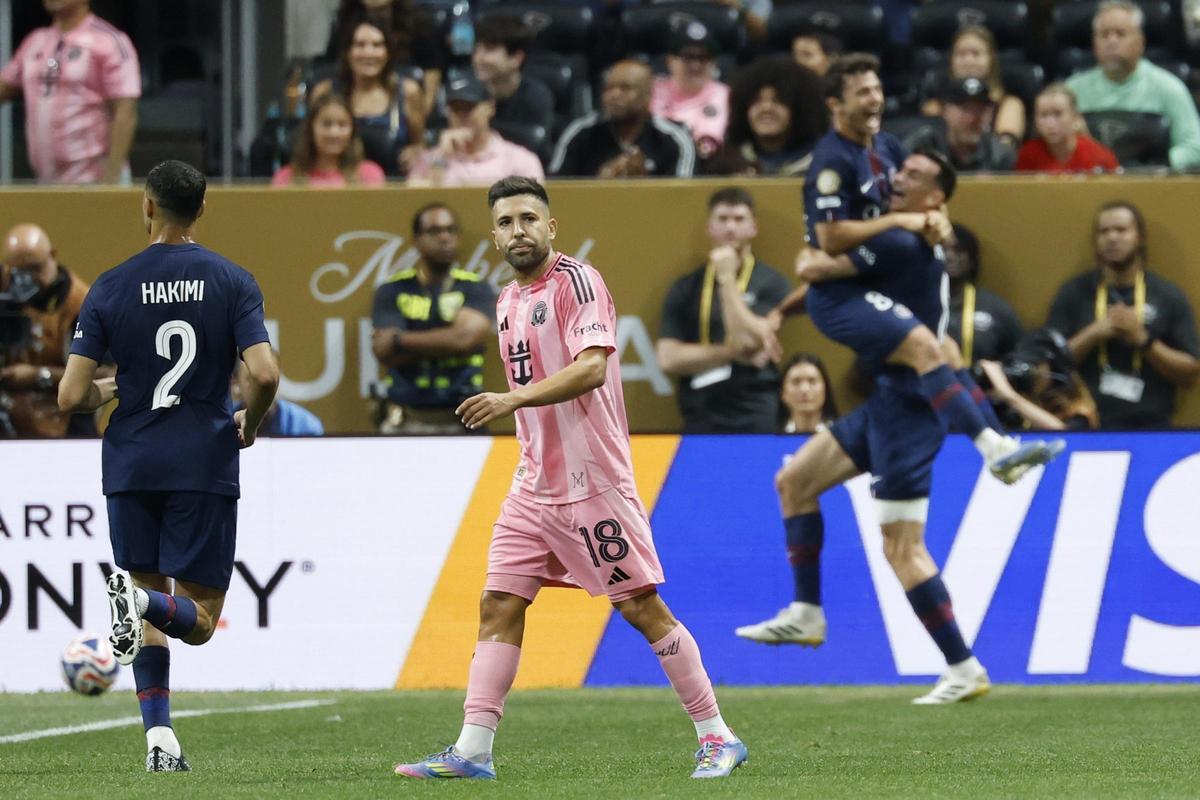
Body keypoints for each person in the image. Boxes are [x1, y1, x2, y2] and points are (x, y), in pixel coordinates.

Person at [394, 177, 747, 780]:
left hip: (593, 482)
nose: (518, 231)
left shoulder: (578, 282)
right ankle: (474, 750)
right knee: (499, 603)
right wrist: (521, 410)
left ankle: (718, 735)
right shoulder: (506, 299)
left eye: (528, 218)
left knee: (640, 608)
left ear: (550, 227)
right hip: (533, 486)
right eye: (505, 223)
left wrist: (512, 400)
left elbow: (588, 370)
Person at [738, 152, 1004, 703]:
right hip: (884, 401)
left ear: (937, 202)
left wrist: (813, 268)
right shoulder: (894, 238)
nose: (900, 178)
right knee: (794, 483)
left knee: (903, 550)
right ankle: (807, 611)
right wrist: (781, 313)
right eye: (901, 170)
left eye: (917, 178)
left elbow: (817, 267)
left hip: (912, 410)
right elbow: (831, 285)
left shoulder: (908, 244)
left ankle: (962, 667)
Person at [57, 160, 279, 770]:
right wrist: (249, 423)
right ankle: (142, 607)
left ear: (146, 207)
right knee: (201, 620)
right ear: (202, 210)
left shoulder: (108, 285)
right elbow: (264, 373)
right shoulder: (232, 280)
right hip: (202, 459)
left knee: (145, 589)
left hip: (131, 462)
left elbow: (70, 398)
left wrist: (118, 388)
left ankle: (160, 740)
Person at [803, 55, 1054, 480]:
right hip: (843, 294)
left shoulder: (887, 146)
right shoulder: (831, 161)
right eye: (863, 92)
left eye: (878, 89)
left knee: (946, 349)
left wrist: (938, 218)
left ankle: (1001, 446)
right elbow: (827, 241)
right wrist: (899, 221)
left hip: (875, 275)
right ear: (835, 104)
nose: (876, 99)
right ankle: (991, 449)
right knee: (925, 347)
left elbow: (927, 189)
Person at [1046, 201, 1200, 428]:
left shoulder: (1167, 295)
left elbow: (1191, 372)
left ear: (1140, 238)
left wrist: (1144, 340)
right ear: (1096, 242)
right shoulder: (1074, 293)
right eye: (1104, 231)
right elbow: (1048, 367)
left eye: (1121, 230)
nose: (1112, 238)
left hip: (1151, 424)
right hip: (1085, 422)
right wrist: (1093, 334)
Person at [656, 187, 791, 433]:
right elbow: (668, 358)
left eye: (739, 219)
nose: (730, 227)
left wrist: (727, 279)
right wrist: (730, 353)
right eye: (723, 219)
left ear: (754, 227)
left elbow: (749, 341)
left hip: (755, 403)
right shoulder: (686, 286)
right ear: (709, 226)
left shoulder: (773, 282)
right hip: (701, 404)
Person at [371, 202, 495, 433]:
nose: (445, 238)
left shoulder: (475, 287)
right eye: (434, 231)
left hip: (465, 418)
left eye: (451, 230)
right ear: (416, 239)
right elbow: (383, 351)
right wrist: (447, 337)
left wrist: (399, 339)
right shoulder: (392, 289)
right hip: (405, 419)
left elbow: (464, 339)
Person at [0, 0, 140, 184]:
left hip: (95, 180)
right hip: (46, 182)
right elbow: (4, 86)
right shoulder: (35, 41)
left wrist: (111, 179)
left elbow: (125, 110)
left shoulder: (109, 40)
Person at [1066, 0, 1200, 169]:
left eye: (1120, 34)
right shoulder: (1072, 90)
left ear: (1140, 42)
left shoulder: (1169, 89)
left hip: (1151, 185)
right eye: (1104, 35)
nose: (1111, 41)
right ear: (1094, 44)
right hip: (1086, 187)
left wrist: (1157, 166)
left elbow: (1194, 147)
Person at [0, 223, 105, 437]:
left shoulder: (82, 305)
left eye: (35, 269)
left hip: (66, 424)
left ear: (53, 256)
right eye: (17, 272)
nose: (27, 280)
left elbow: (106, 375)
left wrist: (38, 375)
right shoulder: (5, 296)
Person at [311, 18, 426, 177]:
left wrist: (416, 154)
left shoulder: (408, 91)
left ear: (388, 53)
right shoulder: (324, 91)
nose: (368, 53)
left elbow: (420, 145)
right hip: (337, 187)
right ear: (348, 52)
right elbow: (309, 143)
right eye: (360, 45)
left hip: (393, 188)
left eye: (377, 45)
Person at [550, 60, 696, 178]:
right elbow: (555, 192)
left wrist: (645, 184)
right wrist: (599, 185)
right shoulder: (580, 133)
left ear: (648, 96)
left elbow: (684, 198)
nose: (614, 95)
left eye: (625, 88)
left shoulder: (674, 139)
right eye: (609, 88)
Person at [407, 75, 544, 186]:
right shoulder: (430, 160)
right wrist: (441, 157)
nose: (461, 116)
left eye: (468, 108)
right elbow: (413, 204)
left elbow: (535, 211)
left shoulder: (519, 160)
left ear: (490, 108)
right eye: (455, 109)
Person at [705, 55, 827, 177]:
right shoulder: (726, 163)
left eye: (778, 100)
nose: (766, 108)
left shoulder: (822, 160)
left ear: (799, 108)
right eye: (756, 101)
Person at [976, 328, 1100, 431]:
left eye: (1035, 365)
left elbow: (1065, 436)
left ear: (1055, 367)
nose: (1029, 373)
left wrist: (1010, 396)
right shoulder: (1022, 406)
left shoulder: (1079, 412)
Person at [921, 26, 1025, 145]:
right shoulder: (935, 107)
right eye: (961, 54)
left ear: (991, 59)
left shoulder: (1009, 105)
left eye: (976, 54)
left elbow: (1005, 151)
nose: (968, 61)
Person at [650, 21, 730, 162]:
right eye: (688, 57)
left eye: (703, 58)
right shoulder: (651, 91)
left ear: (714, 63)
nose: (696, 65)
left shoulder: (726, 97)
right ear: (670, 61)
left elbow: (713, 148)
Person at [944, 223, 1023, 365]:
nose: (949, 256)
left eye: (958, 250)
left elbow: (1020, 358)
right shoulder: (912, 299)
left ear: (972, 260)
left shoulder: (996, 308)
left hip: (973, 384)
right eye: (943, 250)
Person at [271, 93, 387, 187]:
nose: (334, 133)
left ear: (352, 131)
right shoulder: (286, 178)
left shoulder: (370, 175)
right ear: (311, 130)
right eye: (326, 124)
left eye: (342, 125)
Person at [907, 77, 1016, 172]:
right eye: (965, 109)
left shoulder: (1000, 155)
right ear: (946, 110)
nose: (972, 118)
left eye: (979, 110)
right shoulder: (923, 147)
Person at [472, 15, 555, 135]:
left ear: (516, 58)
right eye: (476, 50)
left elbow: (535, 147)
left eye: (489, 49)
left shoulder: (535, 98)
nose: (477, 58)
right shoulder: (467, 93)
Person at [1016, 84, 1120, 173]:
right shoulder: (1028, 155)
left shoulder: (1099, 156)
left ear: (1075, 117)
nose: (1050, 123)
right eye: (1044, 115)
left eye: (1058, 114)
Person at [231, 358, 324, 437]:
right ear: (236, 384)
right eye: (252, 379)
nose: (264, 387)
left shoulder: (306, 426)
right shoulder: (223, 421)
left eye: (272, 379)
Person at [778, 353, 838, 433]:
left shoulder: (841, 437)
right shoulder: (770, 438)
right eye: (796, 382)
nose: (804, 389)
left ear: (825, 389)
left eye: (812, 381)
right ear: (783, 393)